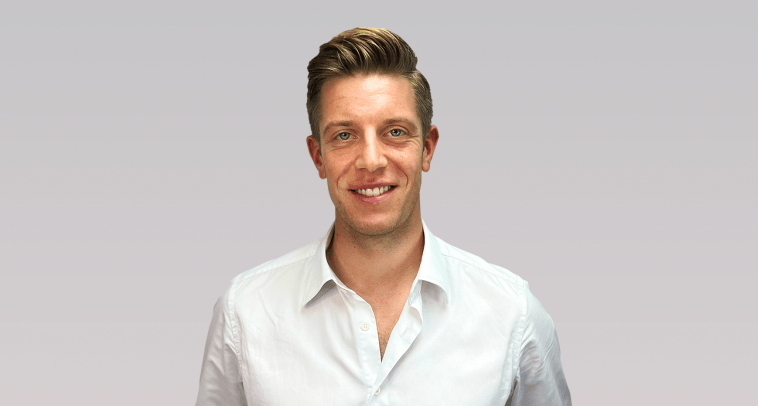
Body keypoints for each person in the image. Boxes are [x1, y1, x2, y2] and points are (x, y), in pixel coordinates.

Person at [195, 27, 571, 406]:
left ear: (427, 148)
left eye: (394, 131)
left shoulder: (513, 317)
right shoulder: (245, 314)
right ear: (318, 156)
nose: (371, 161)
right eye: (344, 135)